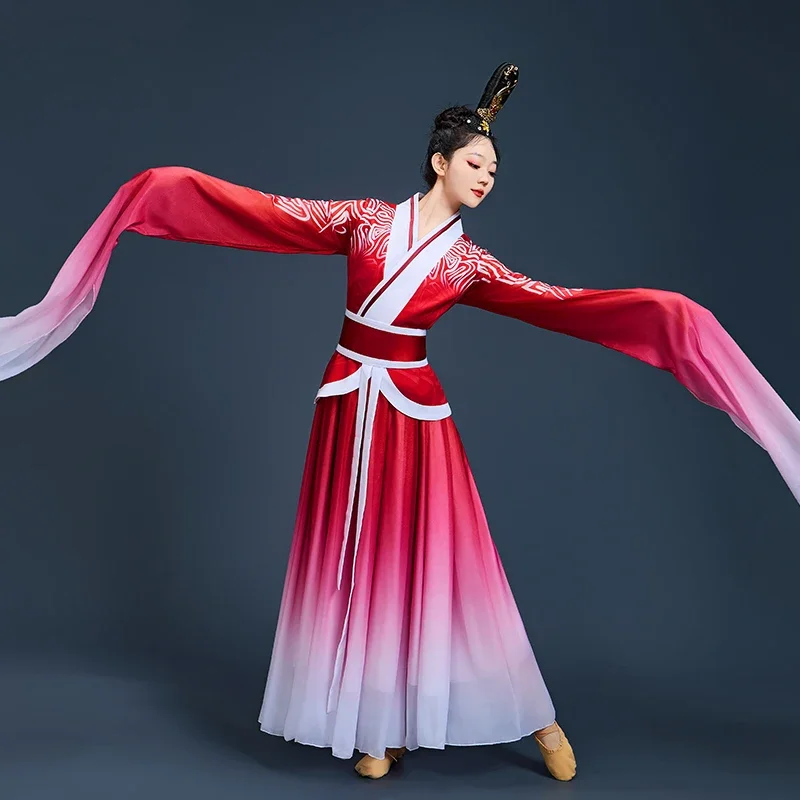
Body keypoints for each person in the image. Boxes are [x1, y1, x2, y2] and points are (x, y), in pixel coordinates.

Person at [1, 62, 799, 783]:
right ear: (440, 161)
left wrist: (665, 313)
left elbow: (562, 308)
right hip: (349, 400)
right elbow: (260, 213)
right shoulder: (361, 221)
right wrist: (166, 189)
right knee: (356, 568)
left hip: (415, 419)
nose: (488, 178)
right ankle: (378, 729)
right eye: (477, 163)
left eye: (495, 170)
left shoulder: (470, 265)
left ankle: (536, 716)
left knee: (441, 572)